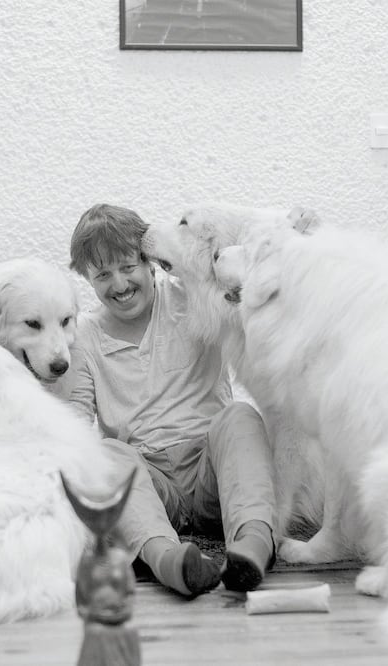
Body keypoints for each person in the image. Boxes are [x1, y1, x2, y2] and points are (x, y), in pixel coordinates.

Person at [63, 203, 277, 598]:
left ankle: (253, 545)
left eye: (128, 267)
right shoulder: (84, 337)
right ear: (87, 279)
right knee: (106, 453)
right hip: (152, 479)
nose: (120, 284)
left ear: (151, 263)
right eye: (103, 275)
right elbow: (76, 417)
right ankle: (168, 559)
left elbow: (235, 275)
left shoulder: (190, 298)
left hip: (208, 465)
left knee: (241, 416)